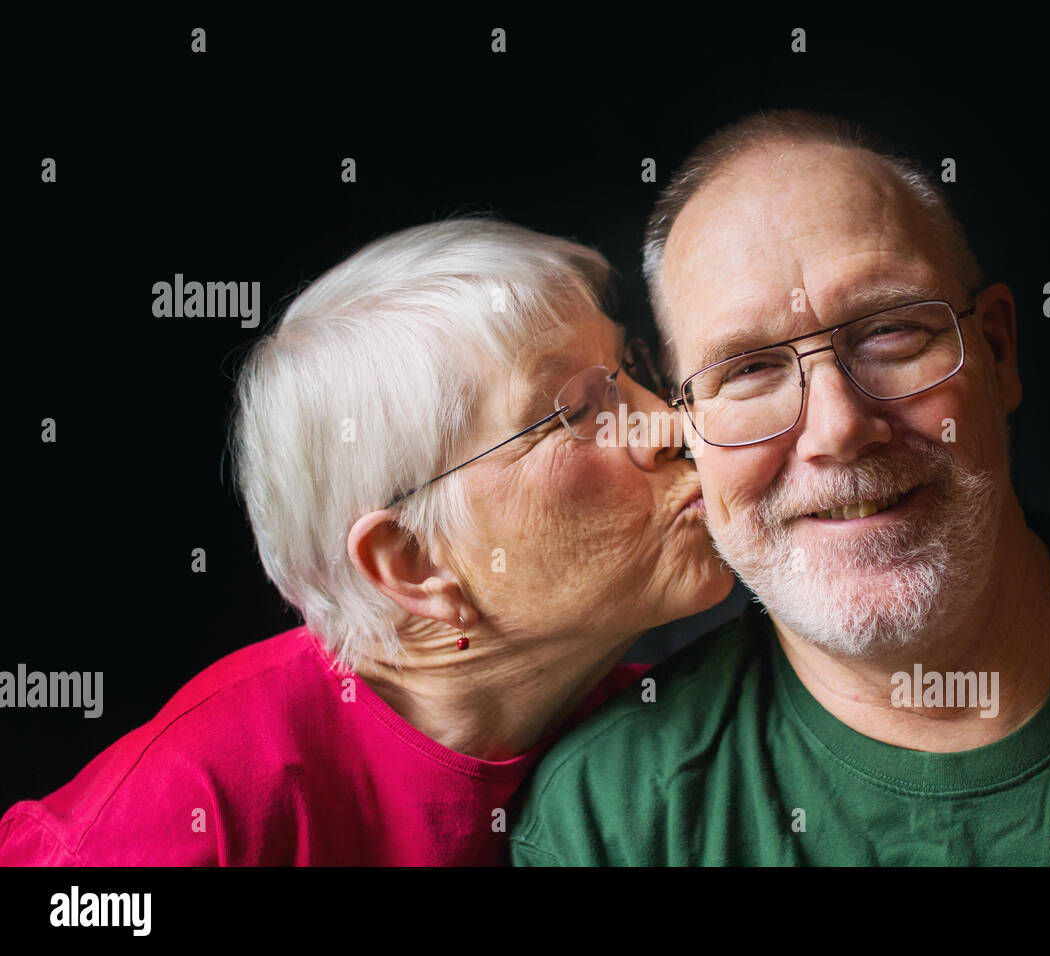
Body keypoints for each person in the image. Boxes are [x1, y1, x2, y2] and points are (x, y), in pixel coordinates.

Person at [510, 111, 1050, 865]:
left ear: (997, 351)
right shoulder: (606, 829)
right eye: (748, 369)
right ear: (687, 427)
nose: (839, 428)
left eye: (891, 331)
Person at [0, 217, 733, 865]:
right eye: (572, 411)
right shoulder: (187, 814)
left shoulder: (678, 728)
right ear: (414, 564)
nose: (671, 422)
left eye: (631, 371)